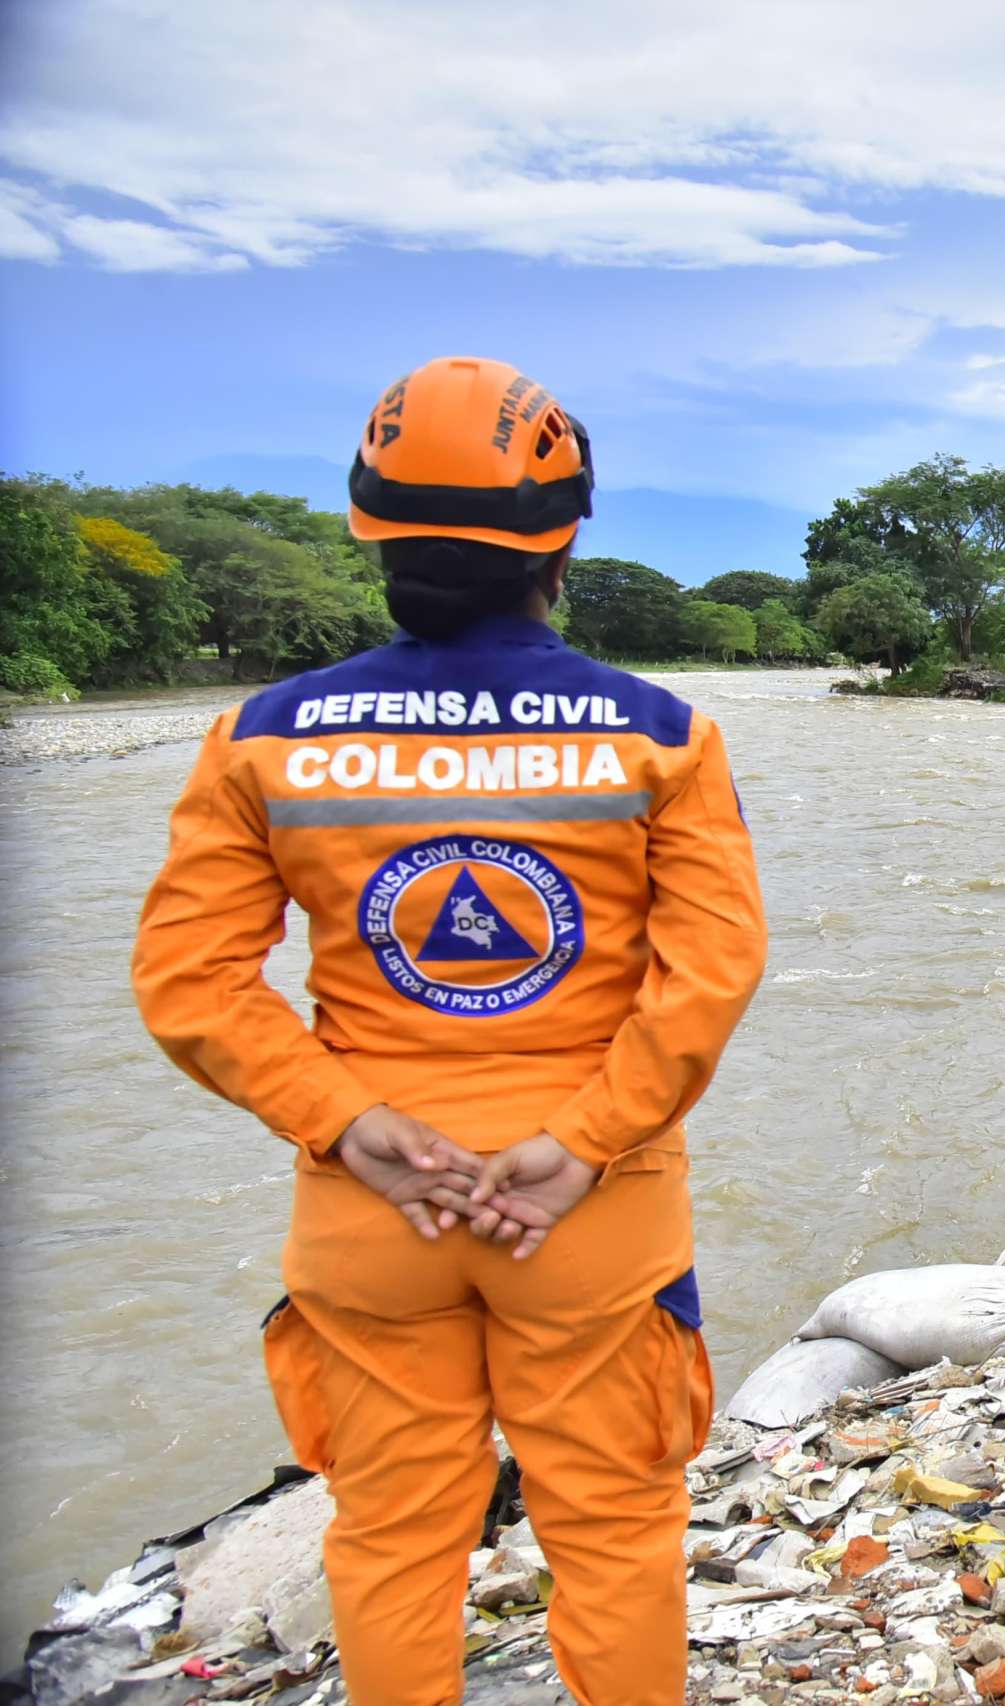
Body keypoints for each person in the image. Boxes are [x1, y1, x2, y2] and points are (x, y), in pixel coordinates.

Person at [132, 357, 769, 1706]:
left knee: (390, 1534)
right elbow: (711, 969)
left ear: (369, 531)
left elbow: (189, 978)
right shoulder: (662, 734)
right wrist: (588, 1140)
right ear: (566, 540)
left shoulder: (261, 738)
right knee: (615, 1533)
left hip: (375, 1206)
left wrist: (349, 1123)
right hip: (587, 1211)